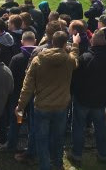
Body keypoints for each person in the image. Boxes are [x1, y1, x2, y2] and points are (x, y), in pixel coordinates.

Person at [16, 31, 80, 170]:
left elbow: (27, 86)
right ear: (64, 44)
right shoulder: (69, 60)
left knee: (41, 139)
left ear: (51, 42)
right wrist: (75, 44)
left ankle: (44, 166)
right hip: (61, 106)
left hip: (42, 106)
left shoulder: (38, 60)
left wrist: (20, 105)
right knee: (58, 138)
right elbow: (75, 59)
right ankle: (57, 164)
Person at [69, 30, 106, 164]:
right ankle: (102, 154)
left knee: (79, 127)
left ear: (92, 41)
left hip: (83, 99)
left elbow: (76, 78)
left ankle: (77, 154)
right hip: (100, 99)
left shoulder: (85, 58)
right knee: (100, 127)